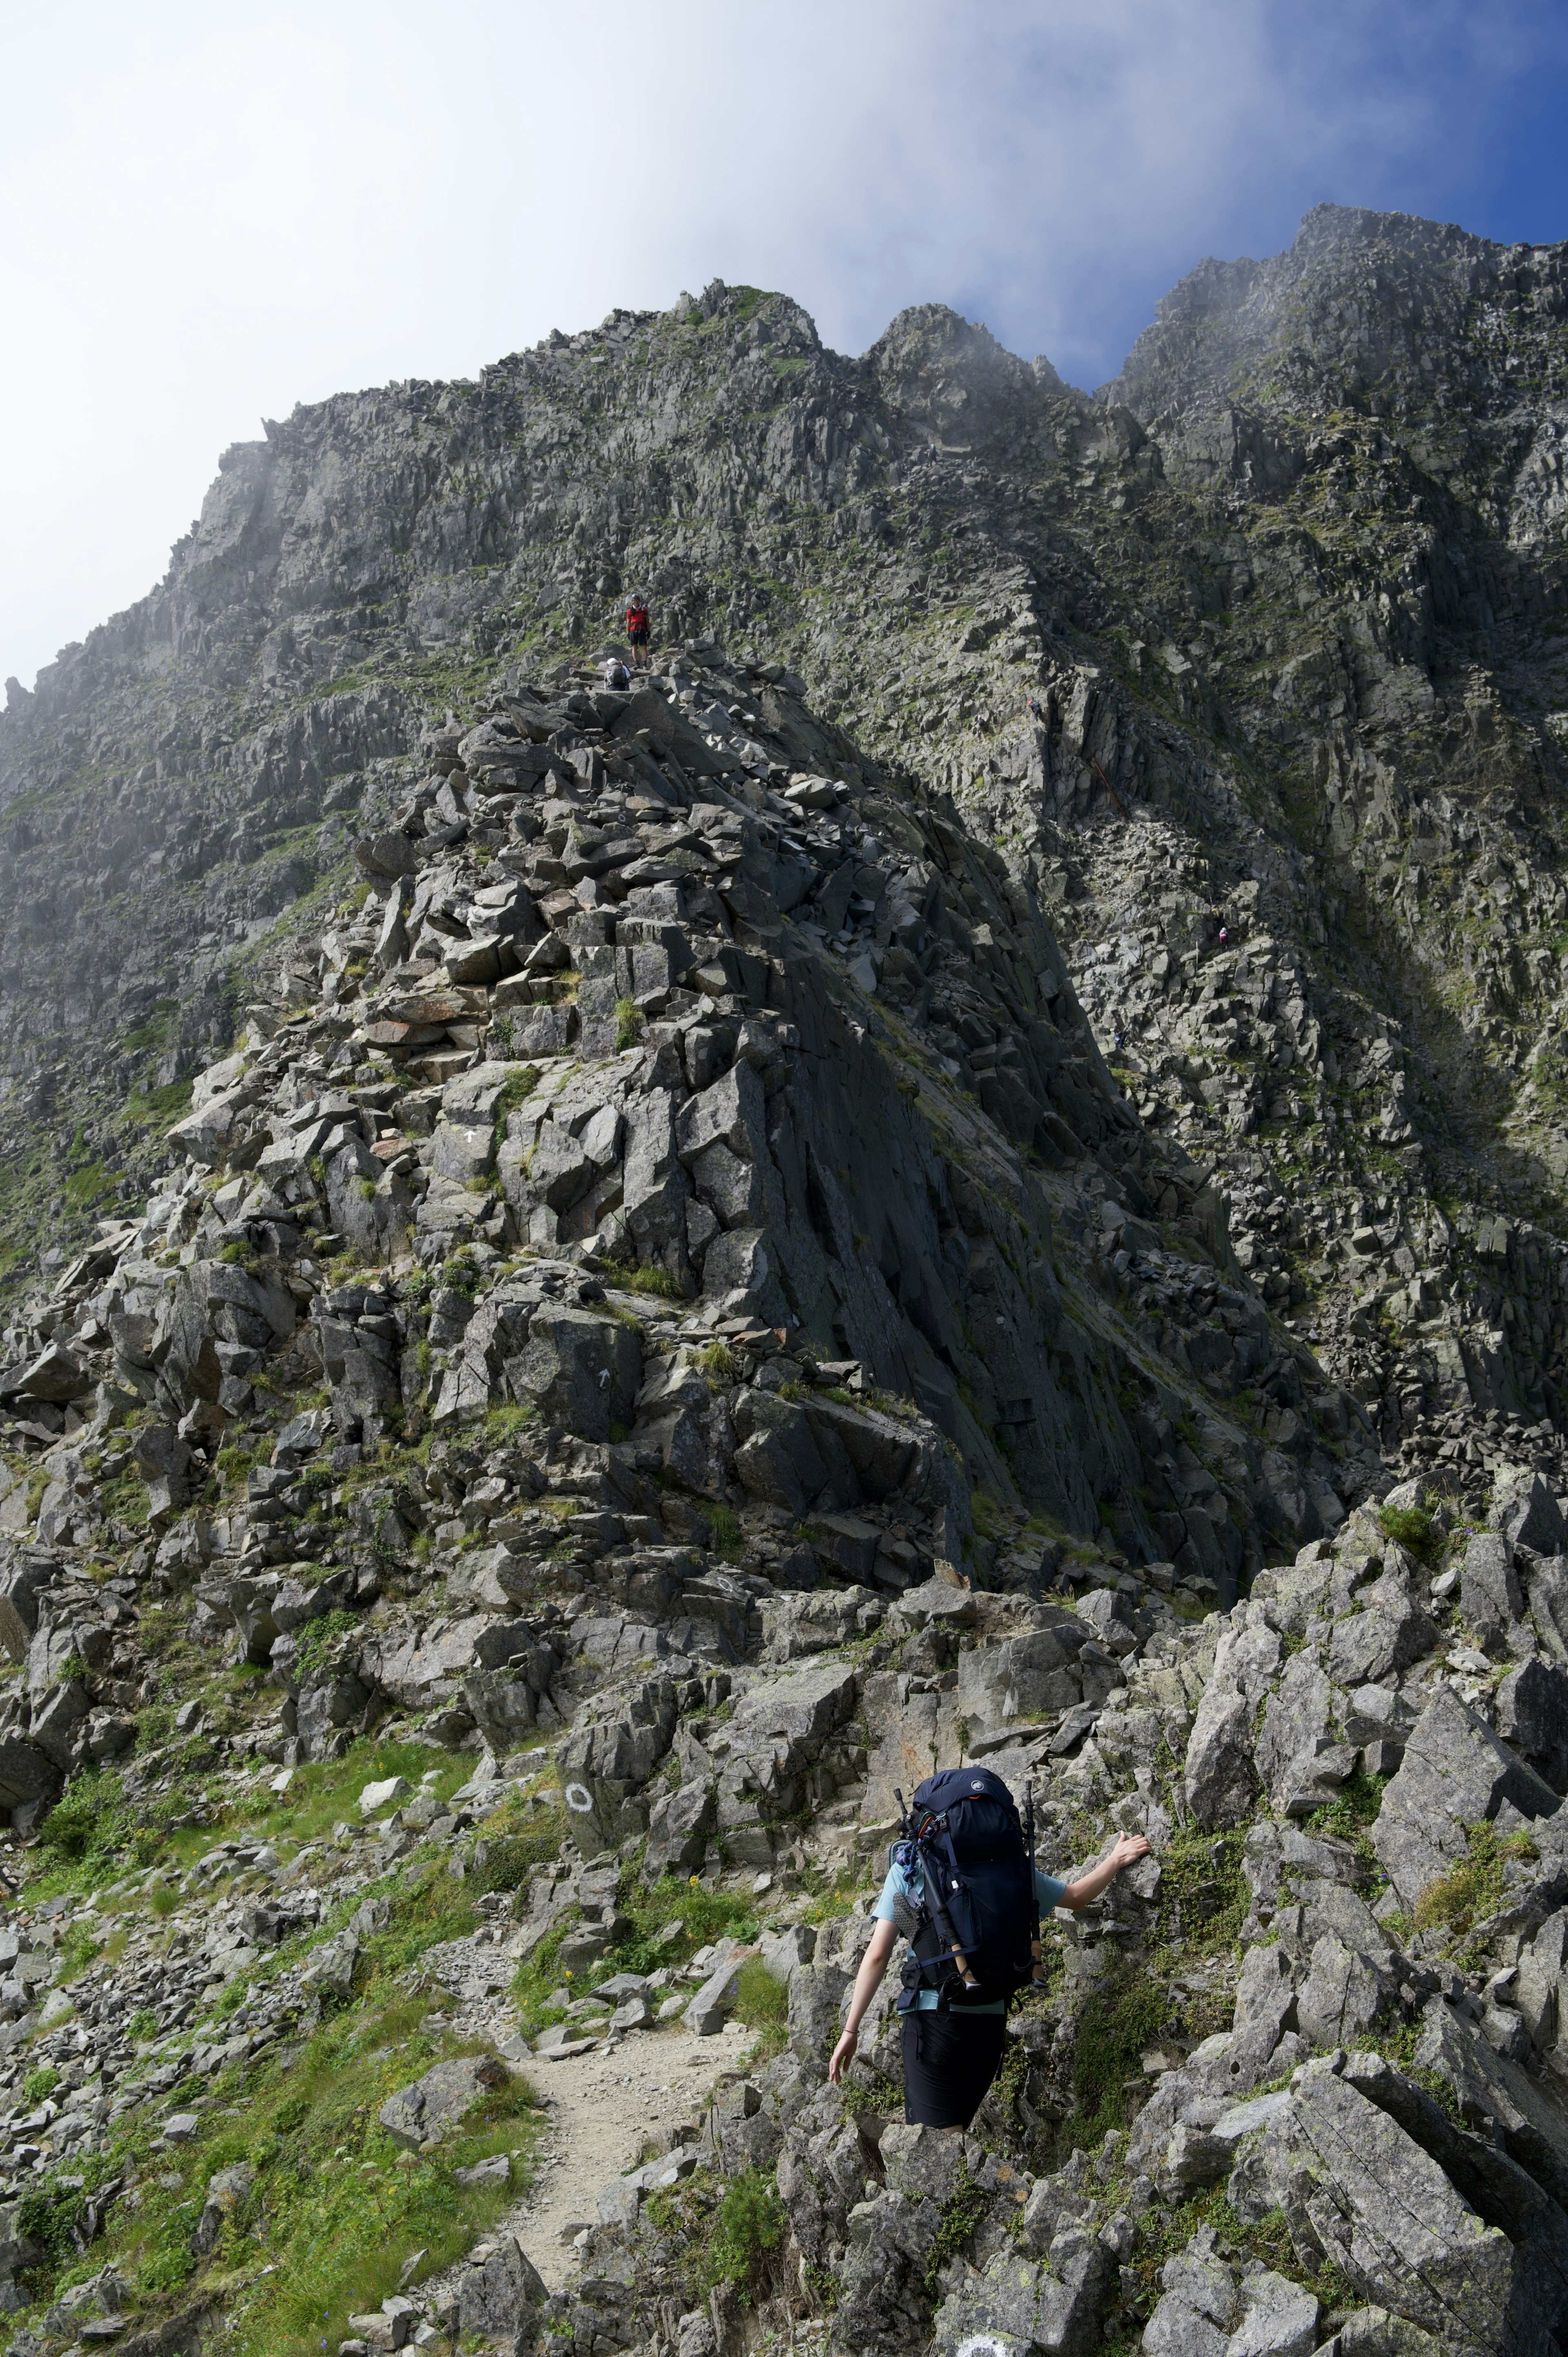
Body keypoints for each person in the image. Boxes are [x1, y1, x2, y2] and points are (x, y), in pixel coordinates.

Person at [829, 1815, 1151, 2129]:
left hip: (934, 2021)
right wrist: (1114, 1860)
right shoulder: (1007, 1864)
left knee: (935, 2149)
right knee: (953, 2143)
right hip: (990, 2019)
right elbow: (1078, 1897)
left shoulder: (910, 1865)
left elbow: (877, 1955)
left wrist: (851, 2030)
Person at [625, 593, 651, 671]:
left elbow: (647, 621)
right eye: (634, 601)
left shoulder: (644, 610)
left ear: (639, 601)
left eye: (637, 600)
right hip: (633, 630)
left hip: (642, 629)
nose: (636, 602)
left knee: (644, 646)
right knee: (634, 647)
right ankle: (637, 664)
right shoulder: (630, 611)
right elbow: (628, 622)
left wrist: (649, 631)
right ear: (632, 602)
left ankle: (645, 664)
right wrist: (628, 633)